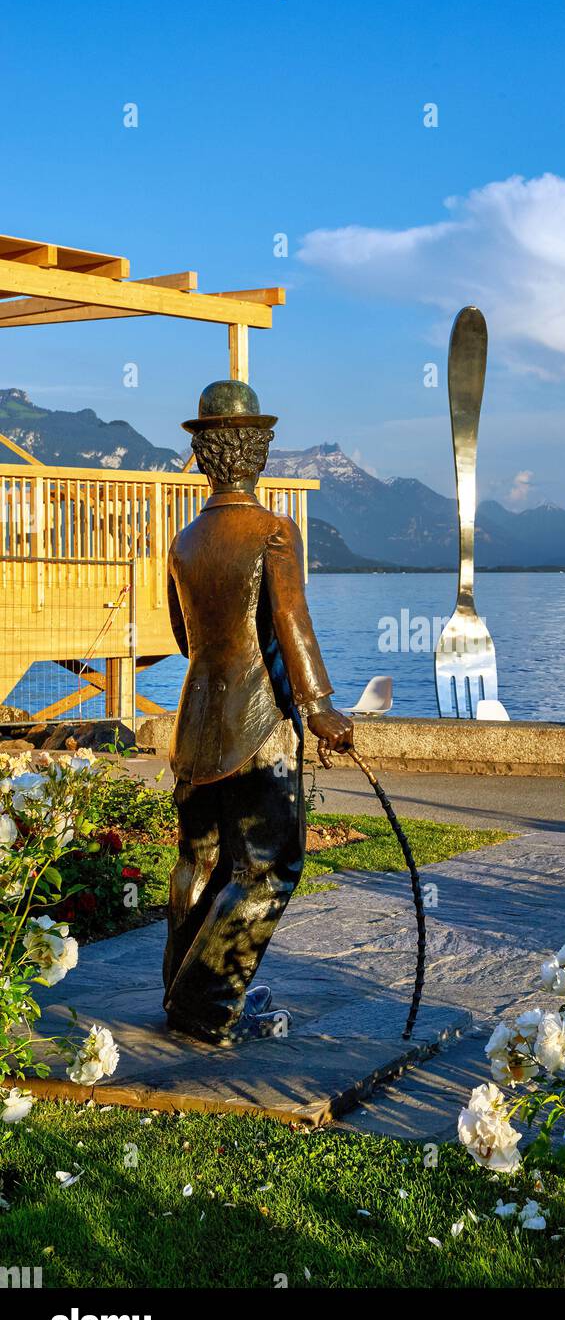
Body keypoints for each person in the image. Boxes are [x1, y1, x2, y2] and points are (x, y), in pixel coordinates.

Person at [162, 379, 354, 1046]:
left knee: (199, 859)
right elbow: (291, 619)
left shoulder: (184, 540)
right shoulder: (274, 531)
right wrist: (321, 707)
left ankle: (178, 989)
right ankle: (207, 1006)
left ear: (204, 454)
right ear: (258, 452)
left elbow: (185, 638)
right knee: (269, 865)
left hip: (195, 718)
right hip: (257, 724)